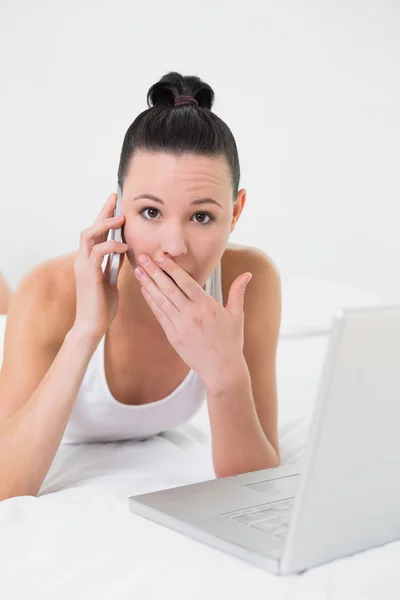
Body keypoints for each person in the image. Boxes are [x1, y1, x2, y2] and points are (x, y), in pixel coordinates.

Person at [0, 72, 282, 501]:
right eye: (151, 212)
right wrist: (85, 332)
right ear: (118, 206)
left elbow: (254, 484)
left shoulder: (248, 284)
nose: (174, 247)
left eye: (202, 216)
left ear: (236, 211)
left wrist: (225, 373)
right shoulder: (49, 290)